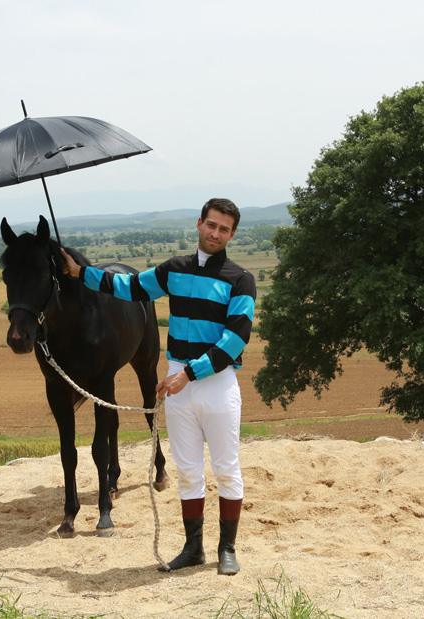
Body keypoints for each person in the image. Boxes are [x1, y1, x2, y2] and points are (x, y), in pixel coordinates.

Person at [59, 198, 256, 575]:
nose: (215, 233)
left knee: (227, 469)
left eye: (224, 229)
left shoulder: (241, 279)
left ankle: (227, 549)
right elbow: (128, 287)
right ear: (199, 224)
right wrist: (78, 272)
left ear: (232, 234)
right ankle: (193, 549)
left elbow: (236, 339)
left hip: (214, 384)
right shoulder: (175, 270)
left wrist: (188, 374)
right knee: (188, 471)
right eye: (211, 225)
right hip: (177, 384)